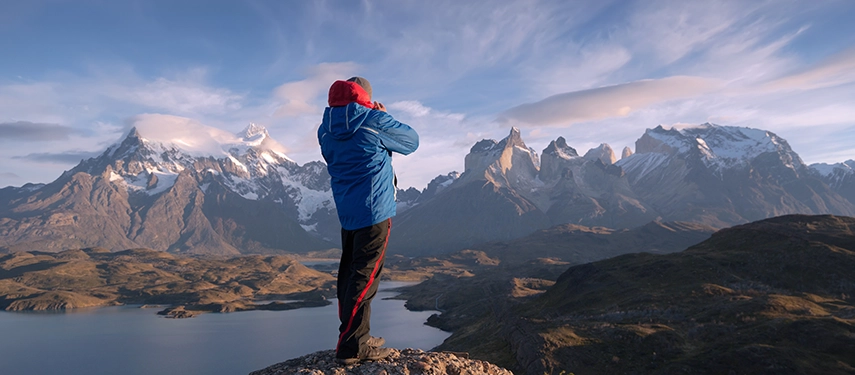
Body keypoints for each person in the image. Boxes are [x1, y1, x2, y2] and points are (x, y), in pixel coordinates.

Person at [317, 76, 419, 364]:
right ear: (366, 98)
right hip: (375, 212)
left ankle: (355, 336)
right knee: (365, 278)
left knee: (350, 274)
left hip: (347, 212)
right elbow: (412, 142)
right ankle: (352, 346)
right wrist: (383, 116)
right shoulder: (374, 121)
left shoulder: (324, 130)